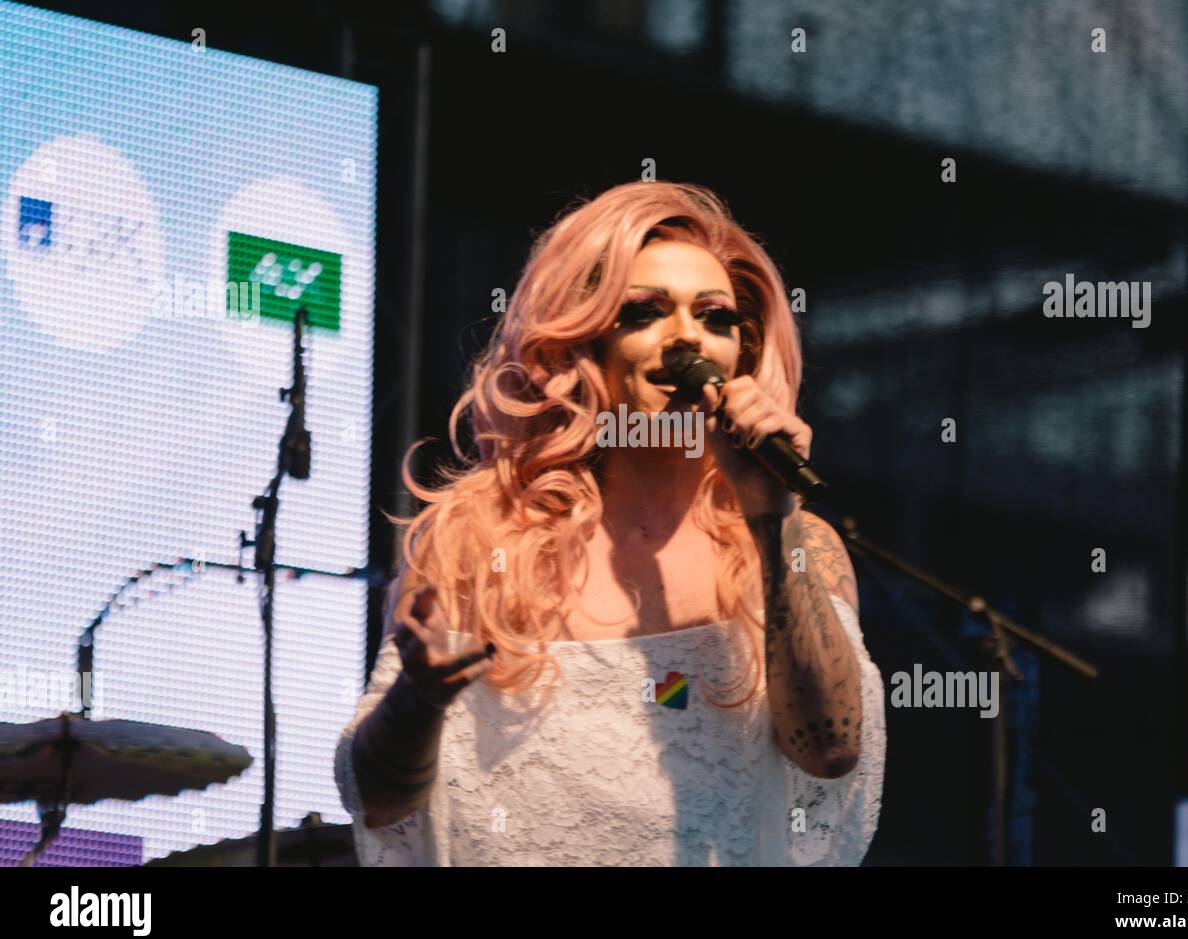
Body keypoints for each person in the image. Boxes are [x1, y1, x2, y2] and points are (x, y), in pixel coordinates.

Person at [334, 180, 885, 865]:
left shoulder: (800, 543)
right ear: (581, 342)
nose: (689, 336)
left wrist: (773, 523)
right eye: (645, 312)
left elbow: (829, 752)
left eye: (717, 318)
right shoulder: (477, 541)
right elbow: (378, 803)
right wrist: (418, 699)